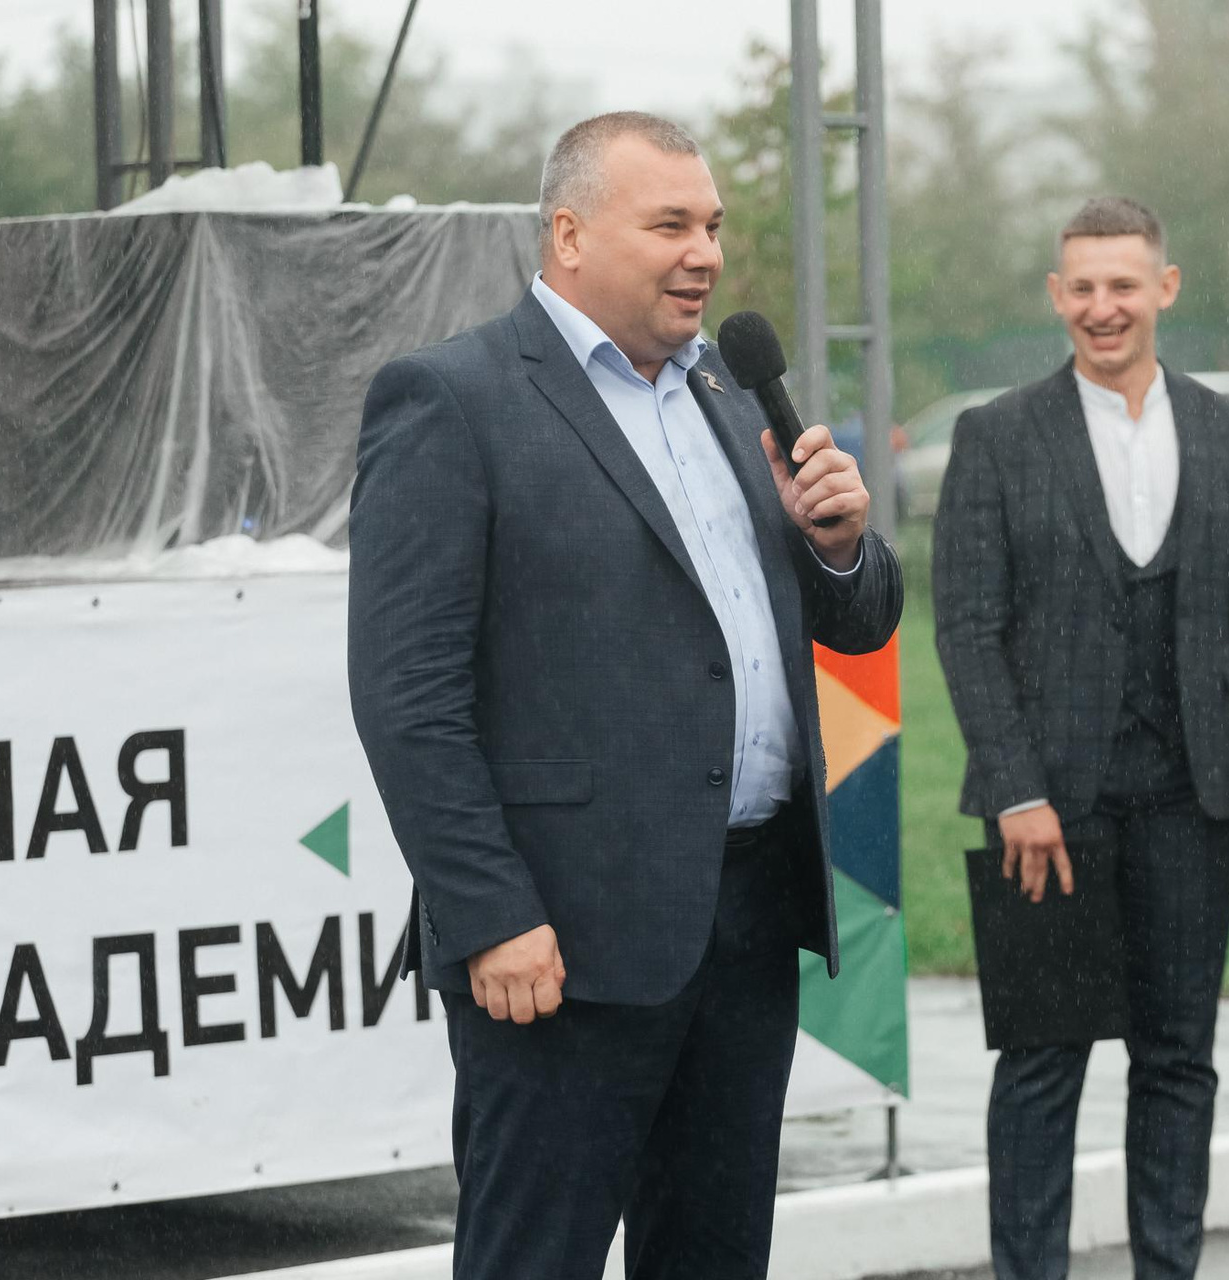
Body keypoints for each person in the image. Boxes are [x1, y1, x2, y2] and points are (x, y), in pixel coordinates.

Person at [345, 111, 902, 1280]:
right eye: (669, 225)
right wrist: (490, 911)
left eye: (713, 226)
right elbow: (408, 695)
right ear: (569, 234)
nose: (705, 254)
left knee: (713, 1256)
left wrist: (842, 546)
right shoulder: (452, 399)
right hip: (564, 942)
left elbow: (854, 622)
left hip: (747, 923)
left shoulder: (731, 397)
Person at [932, 196, 1229, 1280]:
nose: (1104, 307)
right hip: (1046, 809)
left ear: (1165, 288)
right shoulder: (997, 436)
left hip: (1190, 794)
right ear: (1058, 296)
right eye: (1084, 288)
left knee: (1179, 1060)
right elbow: (968, 628)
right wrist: (1014, 790)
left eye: (1124, 286)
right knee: (1043, 1065)